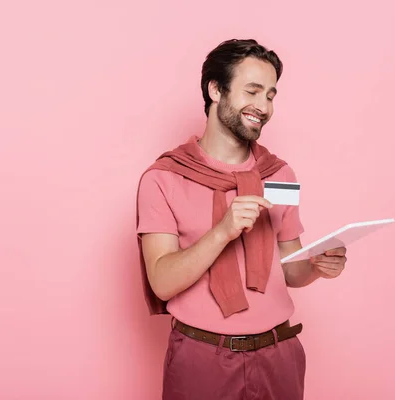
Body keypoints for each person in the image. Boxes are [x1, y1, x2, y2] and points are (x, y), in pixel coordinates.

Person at [135, 38, 348, 400]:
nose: (263, 106)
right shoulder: (163, 178)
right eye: (252, 91)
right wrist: (222, 232)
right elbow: (162, 282)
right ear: (215, 89)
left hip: (279, 355)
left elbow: (292, 271)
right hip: (202, 359)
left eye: (270, 95)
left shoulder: (279, 174)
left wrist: (319, 265)